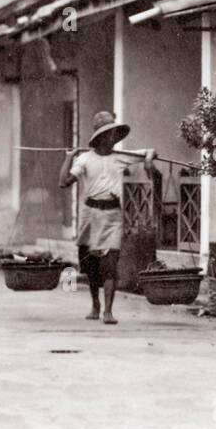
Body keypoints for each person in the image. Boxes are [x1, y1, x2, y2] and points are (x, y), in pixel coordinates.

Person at [58, 111, 156, 325]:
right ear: (100, 138)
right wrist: (69, 157)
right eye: (109, 135)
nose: (113, 139)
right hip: (90, 216)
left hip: (112, 216)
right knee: (92, 265)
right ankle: (96, 305)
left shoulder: (121, 157)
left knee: (110, 264)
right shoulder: (84, 159)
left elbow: (150, 151)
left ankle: (108, 312)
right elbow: (64, 182)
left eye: (114, 135)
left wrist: (148, 161)